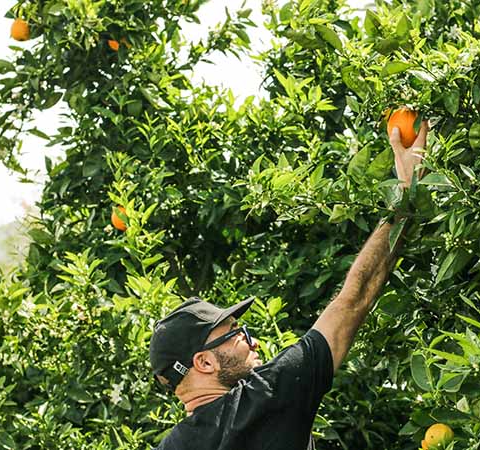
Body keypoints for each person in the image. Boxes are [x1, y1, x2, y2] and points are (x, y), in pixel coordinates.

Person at [148, 121, 429, 449]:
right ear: (205, 362)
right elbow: (353, 300)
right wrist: (406, 195)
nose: (253, 343)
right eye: (238, 333)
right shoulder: (264, 398)